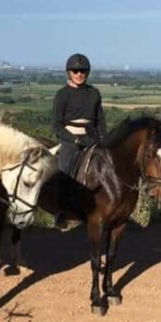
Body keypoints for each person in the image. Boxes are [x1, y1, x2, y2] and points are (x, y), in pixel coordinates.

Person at [52, 53, 106, 228]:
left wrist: (102, 139)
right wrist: (73, 139)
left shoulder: (94, 93)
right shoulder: (62, 95)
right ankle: (61, 211)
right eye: (76, 71)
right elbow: (57, 125)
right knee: (64, 170)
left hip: (91, 136)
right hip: (70, 137)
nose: (79, 74)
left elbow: (100, 120)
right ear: (69, 72)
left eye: (83, 71)